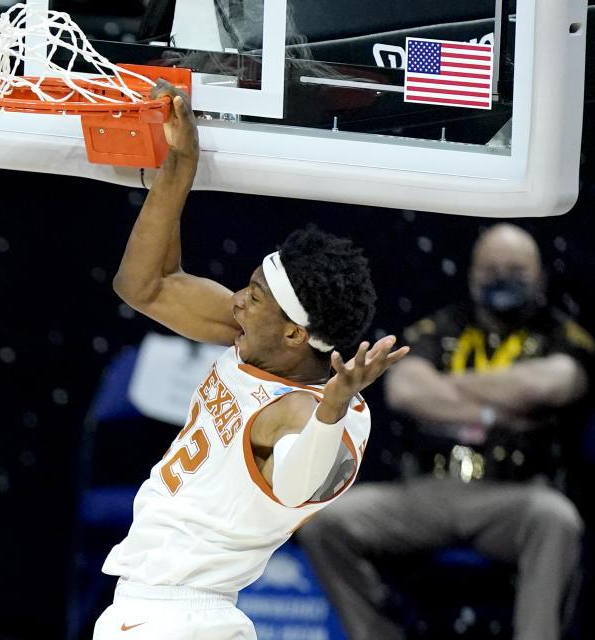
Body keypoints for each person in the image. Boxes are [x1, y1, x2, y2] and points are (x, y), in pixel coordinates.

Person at [91, 81, 409, 639]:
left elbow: (292, 484)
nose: (238, 299)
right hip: (169, 612)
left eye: (254, 295)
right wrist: (180, 162)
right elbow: (145, 284)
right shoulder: (252, 339)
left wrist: (330, 411)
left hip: (176, 616)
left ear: (292, 332)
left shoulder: (303, 414)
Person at [296, 223, 595, 640]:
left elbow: (552, 383)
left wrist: (449, 389)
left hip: (514, 495)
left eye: (515, 269)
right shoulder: (444, 325)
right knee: (325, 522)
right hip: (428, 490)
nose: (501, 277)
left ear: (539, 276)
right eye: (491, 268)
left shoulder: (559, 333)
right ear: (473, 275)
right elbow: (405, 388)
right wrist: (497, 414)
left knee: (557, 519)